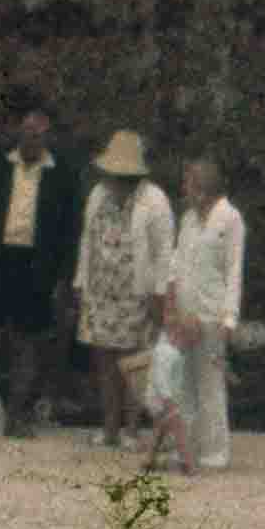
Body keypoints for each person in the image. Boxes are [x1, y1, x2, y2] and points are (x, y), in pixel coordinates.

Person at [0, 93, 86, 440]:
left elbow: (72, 231)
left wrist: (65, 277)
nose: (32, 140)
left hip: (36, 267)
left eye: (38, 135)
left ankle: (15, 418)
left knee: (28, 344)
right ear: (18, 132)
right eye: (27, 133)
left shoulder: (63, 175)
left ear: (47, 135)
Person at [73, 127, 176, 442]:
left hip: (137, 294)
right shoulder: (97, 195)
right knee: (104, 363)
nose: (113, 180)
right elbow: (87, 241)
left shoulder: (155, 201)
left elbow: (163, 254)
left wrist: (161, 294)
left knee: (134, 365)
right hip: (102, 292)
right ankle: (109, 430)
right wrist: (80, 281)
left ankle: (132, 429)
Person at [153, 156, 248, 472]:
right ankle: (188, 447)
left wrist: (230, 319)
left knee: (210, 383)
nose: (184, 189)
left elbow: (234, 270)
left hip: (213, 313)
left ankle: (216, 452)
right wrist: (170, 307)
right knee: (183, 384)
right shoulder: (189, 220)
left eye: (188, 184)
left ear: (202, 188)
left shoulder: (230, 219)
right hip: (185, 312)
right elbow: (175, 264)